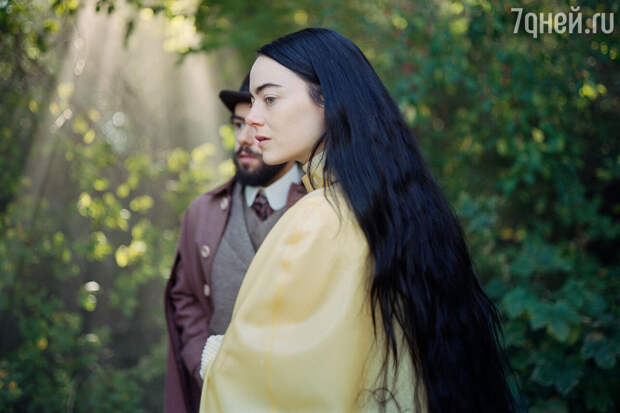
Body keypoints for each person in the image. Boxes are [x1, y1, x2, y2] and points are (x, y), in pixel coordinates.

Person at [199, 28, 518, 413]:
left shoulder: (320, 218)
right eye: (252, 102)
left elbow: (278, 387)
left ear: (328, 99)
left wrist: (215, 358)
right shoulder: (388, 205)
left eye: (269, 99)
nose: (252, 119)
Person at [163, 74, 307, 413]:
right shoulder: (201, 212)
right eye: (238, 124)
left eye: (255, 125)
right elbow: (185, 297)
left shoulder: (324, 208)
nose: (244, 138)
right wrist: (202, 363)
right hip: (218, 399)